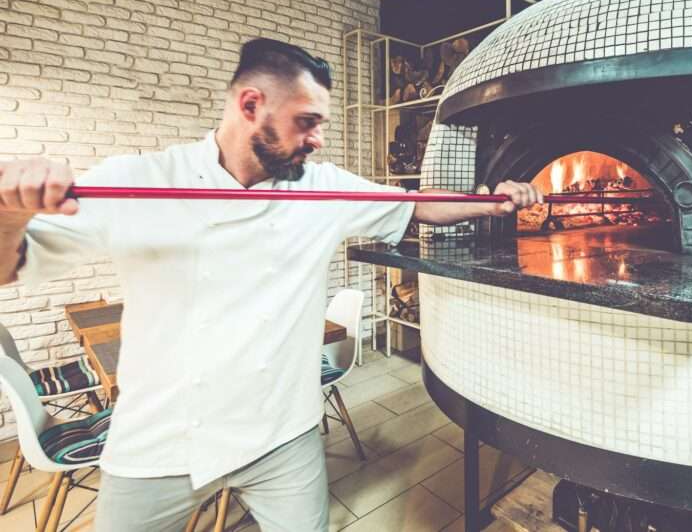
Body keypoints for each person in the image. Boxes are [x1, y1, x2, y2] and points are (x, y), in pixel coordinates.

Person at [0, 38, 543, 532]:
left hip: (284, 433)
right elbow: (8, 265)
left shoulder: (323, 188)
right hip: (159, 442)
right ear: (251, 106)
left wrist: (492, 200)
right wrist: (9, 212)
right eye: (307, 121)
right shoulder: (140, 180)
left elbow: (418, 205)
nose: (319, 138)